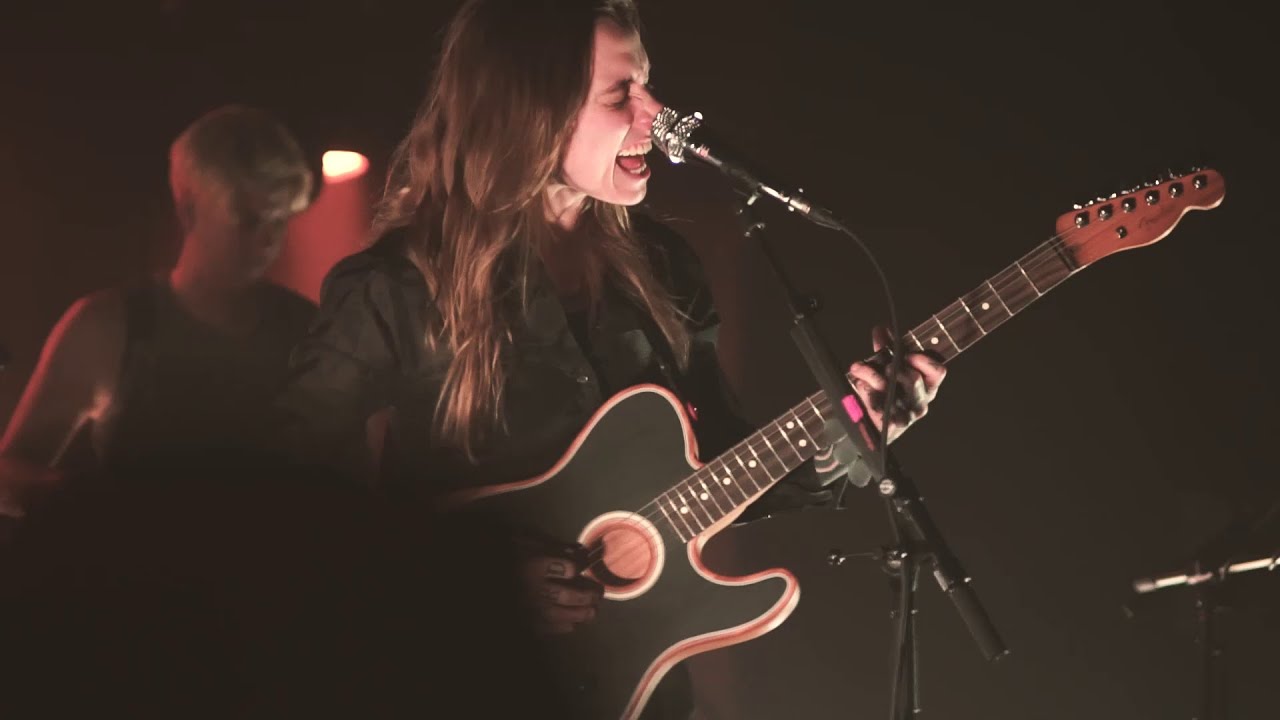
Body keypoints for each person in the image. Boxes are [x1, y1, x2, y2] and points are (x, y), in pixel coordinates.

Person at [271, 0, 947, 717]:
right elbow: (283, 500)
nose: (655, 114)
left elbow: (716, 464)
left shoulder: (662, 266)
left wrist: (846, 434)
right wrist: (470, 584)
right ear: (531, 110)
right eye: (621, 94)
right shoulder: (397, 287)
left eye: (649, 86)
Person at [0, 104, 318, 519]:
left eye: (280, 220)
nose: (268, 241)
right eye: (248, 219)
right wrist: (96, 506)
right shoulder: (108, 328)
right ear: (188, 210)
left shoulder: (311, 332)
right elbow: (11, 472)